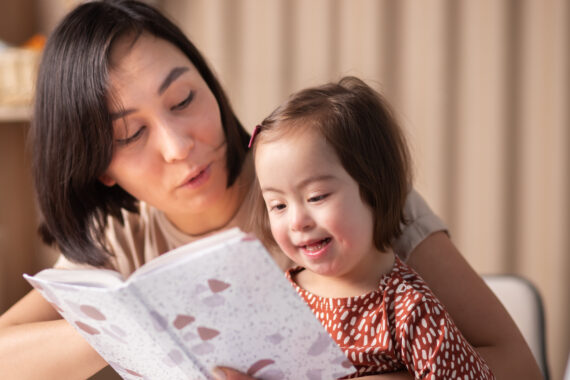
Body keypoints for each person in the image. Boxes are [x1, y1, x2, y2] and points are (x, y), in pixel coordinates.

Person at [0, 1, 541, 379]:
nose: (178, 145)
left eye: (184, 99)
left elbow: (517, 364)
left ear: (211, 85)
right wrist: (143, 320)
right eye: (131, 134)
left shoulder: (326, 188)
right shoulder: (120, 241)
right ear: (102, 169)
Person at [248, 76, 495, 379]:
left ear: (373, 191)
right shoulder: (282, 298)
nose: (297, 221)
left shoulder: (408, 309)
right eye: (279, 206)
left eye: (316, 197)